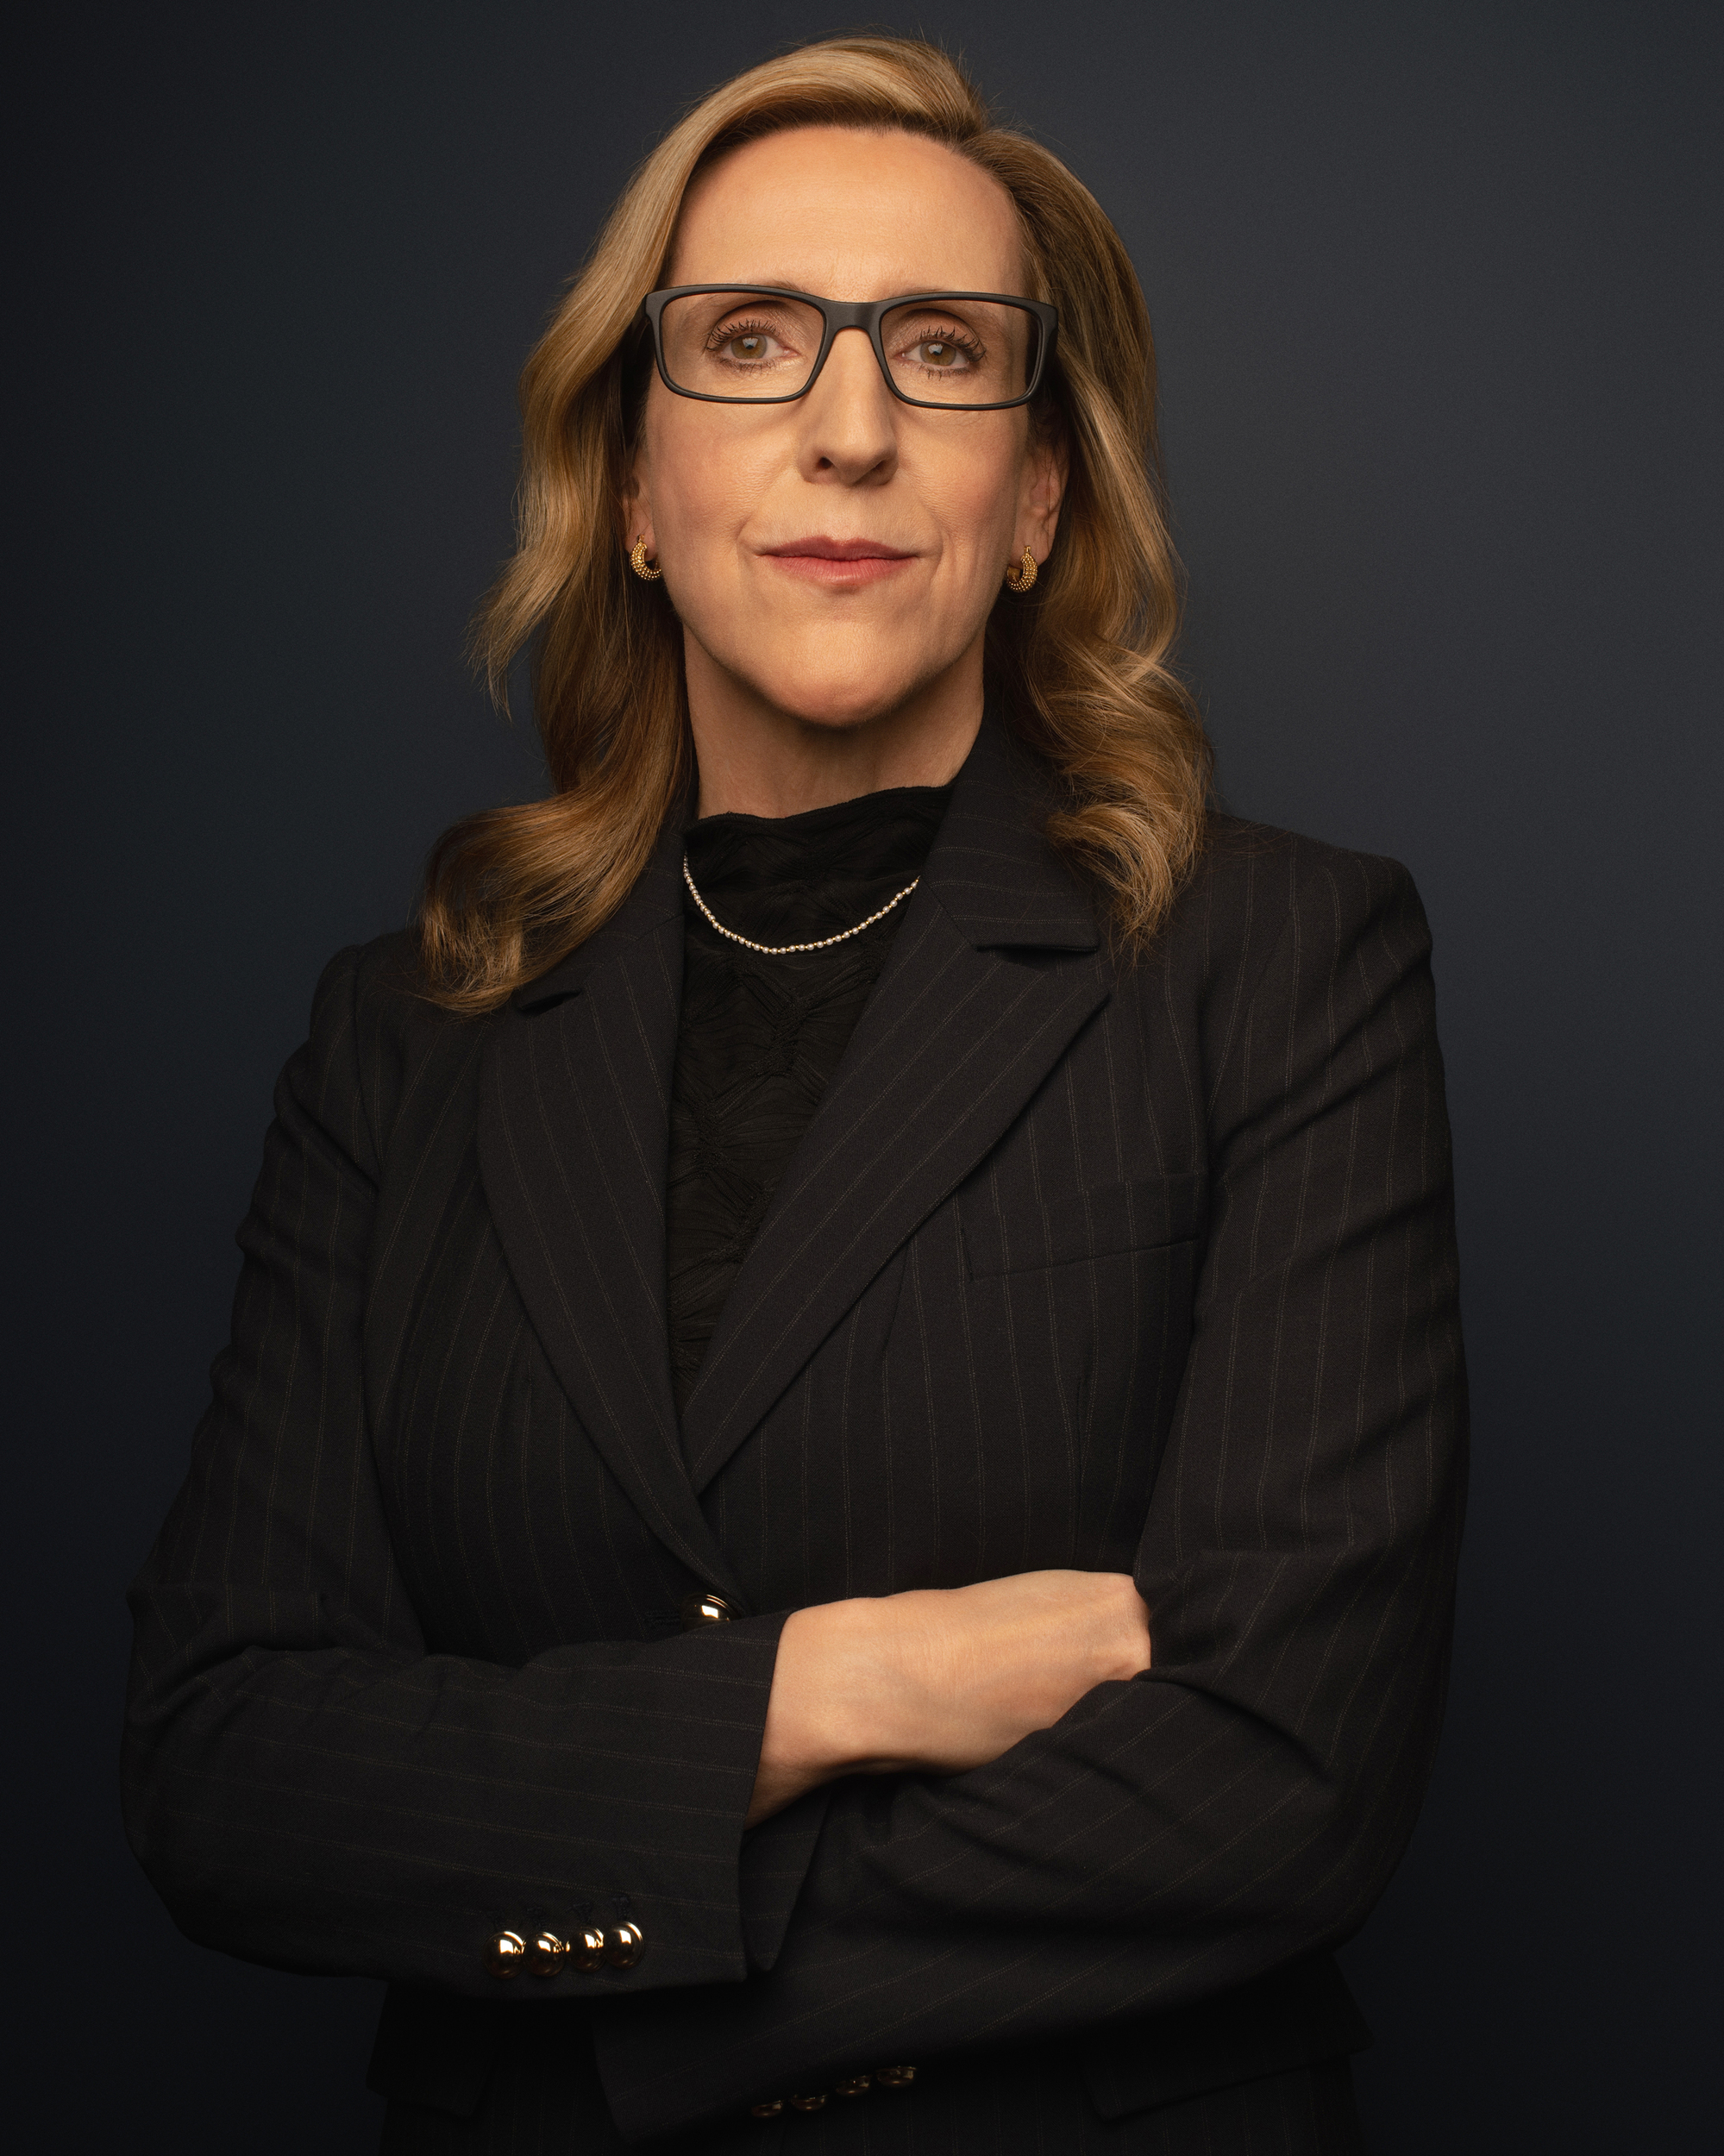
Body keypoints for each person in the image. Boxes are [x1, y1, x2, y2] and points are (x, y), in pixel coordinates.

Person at [122, 34, 1466, 2156]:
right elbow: (227, 1768)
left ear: (1037, 500)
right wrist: (830, 1689)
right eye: (749, 341)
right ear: (629, 489)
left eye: (941, 351)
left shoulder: (1281, 962)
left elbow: (1279, 1776)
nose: (849, 429)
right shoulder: (409, 1030)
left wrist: (602, 1951)